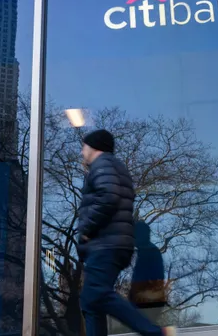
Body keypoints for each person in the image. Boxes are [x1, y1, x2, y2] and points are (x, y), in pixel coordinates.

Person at [77, 129, 176, 336]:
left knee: (96, 294)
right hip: (111, 243)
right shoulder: (112, 166)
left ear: (94, 146)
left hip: (106, 243)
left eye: (84, 146)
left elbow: (109, 196)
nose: (81, 151)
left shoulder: (103, 165)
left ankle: (156, 333)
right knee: (91, 302)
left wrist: (86, 228)